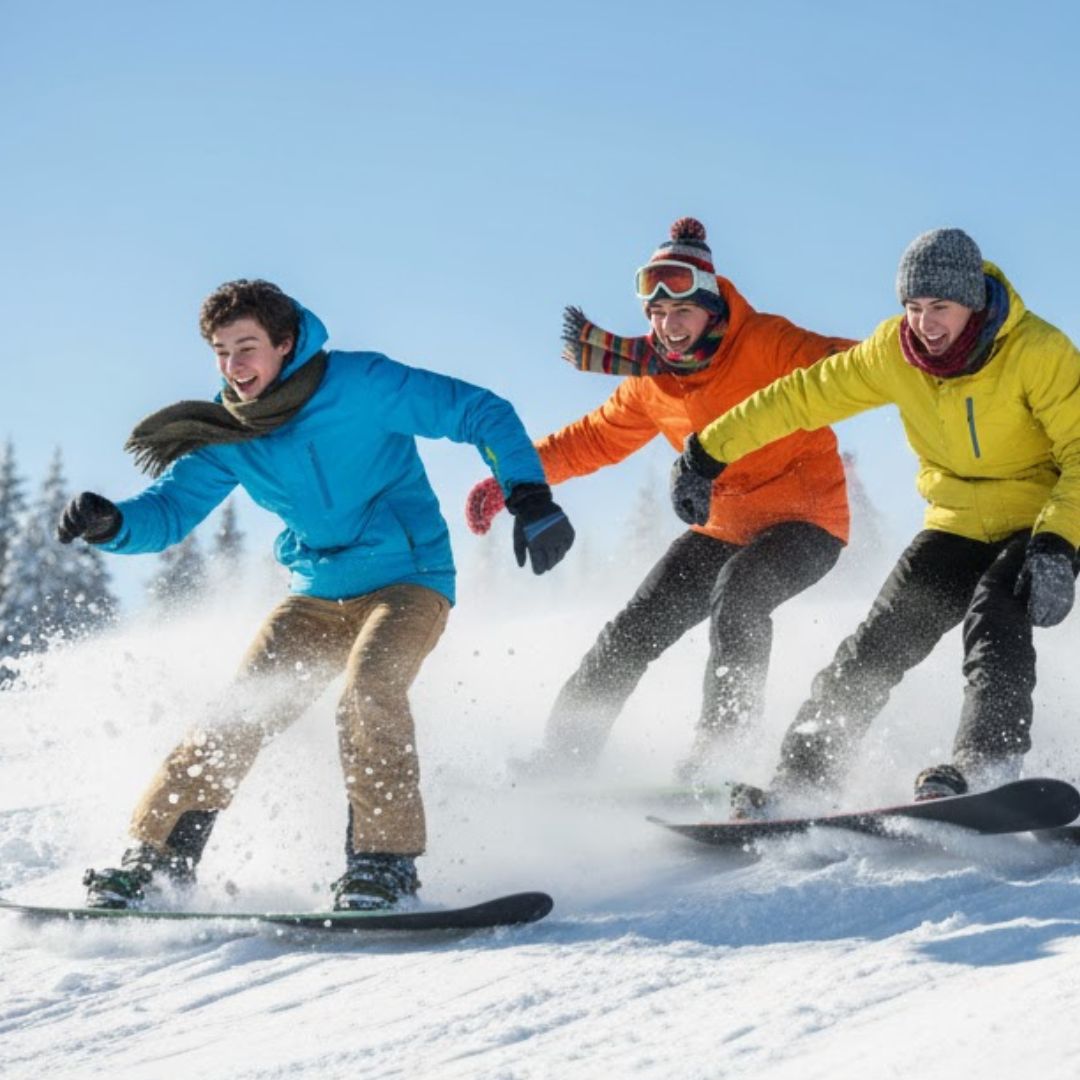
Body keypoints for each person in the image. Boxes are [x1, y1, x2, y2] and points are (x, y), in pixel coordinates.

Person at [58, 278, 574, 910]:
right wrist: (112, 524)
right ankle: (157, 865)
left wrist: (528, 495)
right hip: (313, 595)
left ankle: (383, 867)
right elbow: (167, 511)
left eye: (245, 347)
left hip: (408, 581)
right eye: (221, 352)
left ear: (285, 342)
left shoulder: (360, 385)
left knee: (369, 691)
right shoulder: (230, 433)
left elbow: (479, 410)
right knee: (238, 711)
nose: (233, 366)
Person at [672, 227, 1080, 812]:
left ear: (973, 301)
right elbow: (798, 397)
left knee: (996, 615)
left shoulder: (1038, 352)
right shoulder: (894, 353)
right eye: (913, 308)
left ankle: (987, 766)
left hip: (1045, 520)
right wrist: (707, 452)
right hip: (956, 522)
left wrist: (1059, 546)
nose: (925, 324)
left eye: (940, 307)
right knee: (877, 643)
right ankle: (804, 779)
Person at [466, 218, 854, 783]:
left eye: (681, 313)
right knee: (631, 630)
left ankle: (721, 756)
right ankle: (562, 763)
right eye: (657, 315)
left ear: (711, 307)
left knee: (740, 595)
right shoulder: (652, 379)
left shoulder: (768, 342)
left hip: (809, 521)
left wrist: (920, 356)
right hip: (723, 527)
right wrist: (513, 478)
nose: (668, 328)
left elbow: (853, 368)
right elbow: (593, 438)